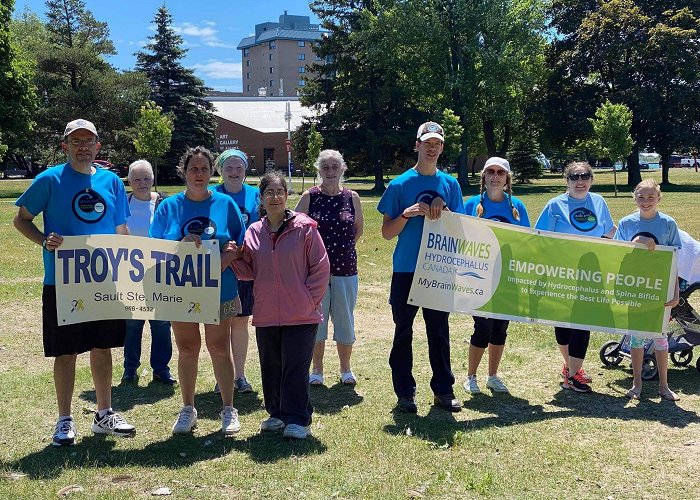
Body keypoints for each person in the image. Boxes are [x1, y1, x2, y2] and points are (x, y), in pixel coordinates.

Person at [13, 119, 136, 446]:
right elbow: (21, 219)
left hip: (105, 280)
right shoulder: (49, 179)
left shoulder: (111, 182)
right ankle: (65, 419)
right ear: (65, 145)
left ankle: (104, 414)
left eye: (89, 140)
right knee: (65, 351)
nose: (83, 146)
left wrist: (127, 258)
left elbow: (120, 229)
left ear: (98, 146)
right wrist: (43, 240)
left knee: (103, 346)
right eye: (76, 141)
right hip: (63, 280)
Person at [150, 146, 246, 435]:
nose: (199, 174)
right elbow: (154, 250)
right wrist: (180, 243)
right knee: (188, 349)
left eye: (204, 168)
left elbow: (239, 245)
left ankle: (229, 409)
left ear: (211, 172)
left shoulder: (225, 204)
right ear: (184, 171)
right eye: (194, 168)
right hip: (181, 288)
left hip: (219, 288)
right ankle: (188, 409)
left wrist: (226, 259)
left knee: (219, 348)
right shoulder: (168, 207)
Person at [228, 171, 330, 439]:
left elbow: (320, 268)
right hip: (267, 312)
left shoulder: (306, 228)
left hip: (302, 313)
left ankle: (298, 418)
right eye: (268, 193)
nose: (274, 197)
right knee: (271, 365)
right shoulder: (253, 231)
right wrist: (235, 256)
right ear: (261, 198)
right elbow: (249, 270)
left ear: (287, 196)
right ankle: (276, 413)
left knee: (295, 366)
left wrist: (309, 300)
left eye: (279, 192)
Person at [377, 121, 464, 413]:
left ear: (442, 148)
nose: (432, 147)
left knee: (439, 331)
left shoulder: (450, 185)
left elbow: (460, 232)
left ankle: (443, 390)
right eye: (427, 142)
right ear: (416, 145)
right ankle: (405, 393)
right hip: (406, 269)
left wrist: (447, 211)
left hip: (438, 269)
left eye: (437, 143)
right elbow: (387, 232)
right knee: (403, 331)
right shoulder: (400, 185)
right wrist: (406, 214)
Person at [535, 161, 616, 393]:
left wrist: (633, 241)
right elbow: (540, 237)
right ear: (567, 180)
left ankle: (572, 374)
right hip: (561, 273)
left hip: (590, 272)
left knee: (583, 320)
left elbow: (609, 232)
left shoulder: (599, 202)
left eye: (585, 176)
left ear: (591, 179)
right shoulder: (554, 205)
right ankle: (572, 369)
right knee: (562, 321)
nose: (580, 181)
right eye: (574, 177)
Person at [295, 149, 363, 386]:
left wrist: (340, 251)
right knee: (317, 321)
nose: (330, 171)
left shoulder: (352, 197)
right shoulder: (309, 196)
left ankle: (346, 369)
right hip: (314, 272)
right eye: (326, 167)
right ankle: (317, 370)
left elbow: (358, 229)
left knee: (345, 320)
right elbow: (294, 230)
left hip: (346, 269)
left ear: (343, 169)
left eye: (335, 167)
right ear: (319, 170)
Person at [462, 157, 530, 395]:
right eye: (490, 171)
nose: (495, 176)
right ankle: (471, 377)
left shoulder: (517, 207)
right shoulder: (471, 204)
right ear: (484, 177)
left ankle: (493, 376)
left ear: (507, 178)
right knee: (482, 328)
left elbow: (527, 241)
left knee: (500, 329)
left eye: (500, 172)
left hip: (507, 278)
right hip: (478, 278)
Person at [614, 179, 681, 400]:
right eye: (641, 197)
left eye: (651, 197)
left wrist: (675, 290)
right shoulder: (626, 223)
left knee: (660, 337)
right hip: (635, 287)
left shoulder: (668, 223)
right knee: (636, 337)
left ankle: (664, 385)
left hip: (659, 288)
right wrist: (636, 241)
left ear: (659, 198)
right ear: (634, 198)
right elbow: (616, 255)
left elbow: (674, 259)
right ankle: (637, 384)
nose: (645, 201)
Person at [121, 159, 176, 386]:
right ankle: (130, 369)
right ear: (130, 181)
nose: (142, 183)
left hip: (160, 273)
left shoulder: (165, 202)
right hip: (130, 273)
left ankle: (161, 369)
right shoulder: (122, 203)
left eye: (146, 178)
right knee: (132, 324)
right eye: (137, 179)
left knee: (161, 323)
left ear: (153, 178)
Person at [212, 149, 261, 394]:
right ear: (220, 170)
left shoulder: (255, 194)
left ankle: (239, 375)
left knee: (241, 321)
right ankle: (221, 373)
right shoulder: (212, 194)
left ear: (245, 170)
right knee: (219, 322)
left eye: (239, 168)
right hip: (216, 268)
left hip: (244, 267)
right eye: (229, 168)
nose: (234, 172)